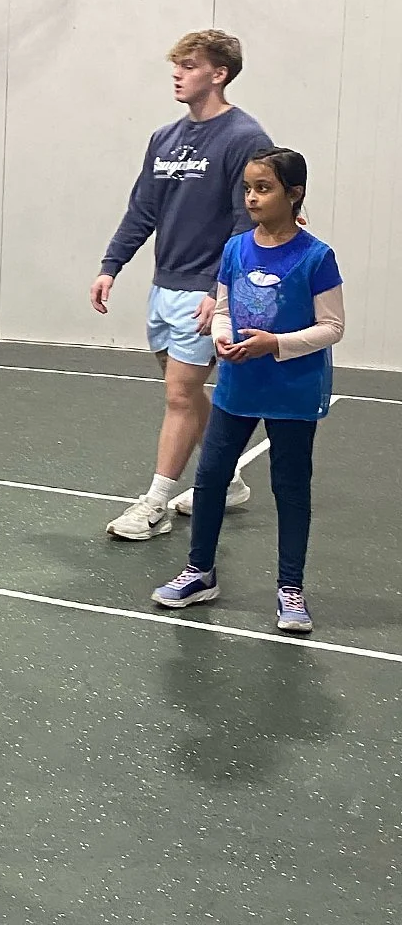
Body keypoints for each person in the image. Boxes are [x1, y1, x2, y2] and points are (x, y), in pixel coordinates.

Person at [151, 148, 342, 633]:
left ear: (294, 194)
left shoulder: (317, 257)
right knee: (211, 476)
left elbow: (332, 327)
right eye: (248, 189)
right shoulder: (235, 248)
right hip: (238, 386)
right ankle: (199, 572)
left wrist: (275, 344)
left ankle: (290, 589)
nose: (252, 198)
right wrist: (222, 337)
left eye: (264, 188)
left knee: (290, 488)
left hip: (293, 392)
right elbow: (222, 309)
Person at [93, 30, 273, 540]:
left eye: (189, 66)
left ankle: (154, 505)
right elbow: (142, 210)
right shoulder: (163, 138)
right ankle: (228, 479)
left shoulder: (245, 138)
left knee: (179, 395)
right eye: (176, 65)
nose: (177, 74)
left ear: (219, 73)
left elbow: (246, 221)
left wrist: (220, 291)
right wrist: (111, 265)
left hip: (205, 289)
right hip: (165, 284)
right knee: (186, 394)